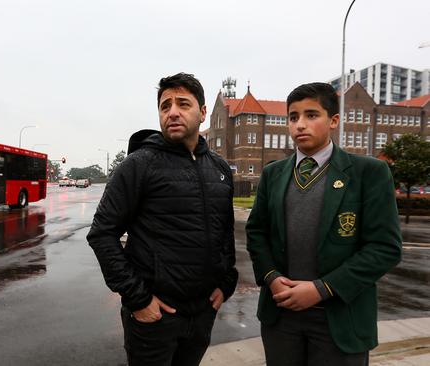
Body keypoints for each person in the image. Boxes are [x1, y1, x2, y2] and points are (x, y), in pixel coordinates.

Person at [87, 72, 238, 366]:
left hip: (203, 313)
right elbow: (102, 233)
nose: (172, 112)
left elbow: (224, 231)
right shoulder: (139, 165)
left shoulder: (219, 167)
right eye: (165, 105)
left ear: (203, 113)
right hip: (155, 317)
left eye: (183, 104)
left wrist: (227, 281)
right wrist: (138, 300)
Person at [246, 82, 402, 366]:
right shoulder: (273, 174)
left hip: (339, 318)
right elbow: (257, 232)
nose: (300, 125)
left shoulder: (369, 173)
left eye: (311, 115)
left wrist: (322, 288)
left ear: (333, 120)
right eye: (293, 117)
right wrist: (270, 277)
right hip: (281, 317)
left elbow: (384, 248)